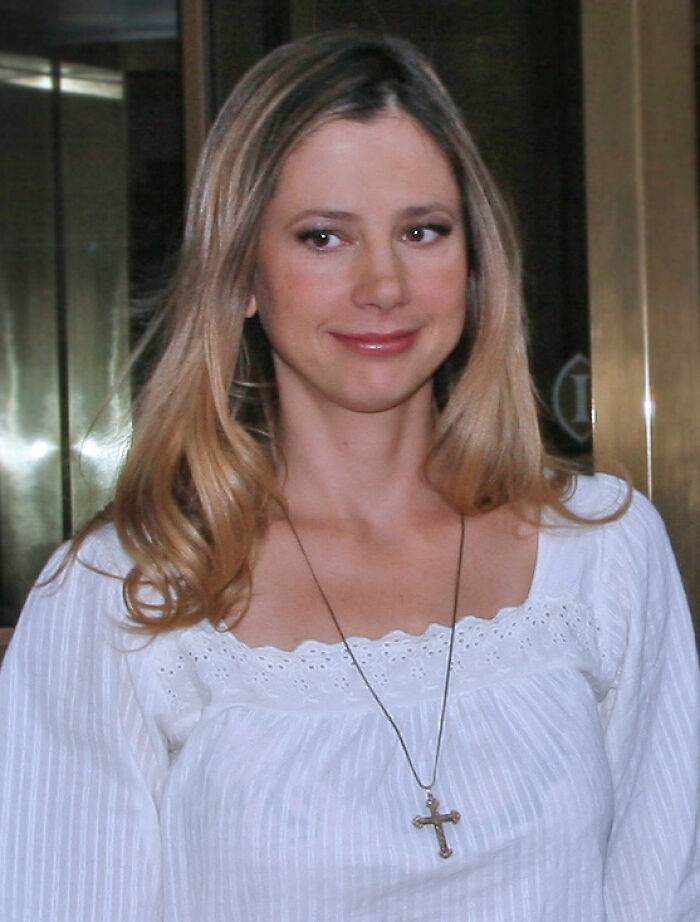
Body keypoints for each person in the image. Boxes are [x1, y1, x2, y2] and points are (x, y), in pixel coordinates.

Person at [0, 29, 698, 922]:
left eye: (423, 231)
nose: (384, 284)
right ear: (243, 273)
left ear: (476, 262)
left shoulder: (605, 551)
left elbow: (665, 893)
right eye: (324, 236)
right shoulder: (123, 591)